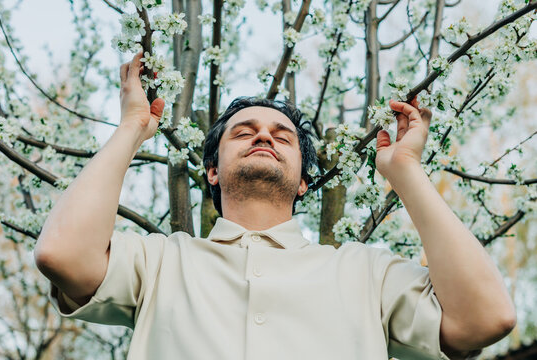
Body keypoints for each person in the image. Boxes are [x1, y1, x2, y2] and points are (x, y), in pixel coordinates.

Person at [34, 52, 516, 360]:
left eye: (282, 136)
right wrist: (132, 127)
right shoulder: (159, 261)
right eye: (242, 132)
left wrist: (405, 172)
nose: (263, 134)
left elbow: (486, 318)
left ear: (305, 181)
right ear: (213, 172)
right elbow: (62, 255)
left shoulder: (366, 272)